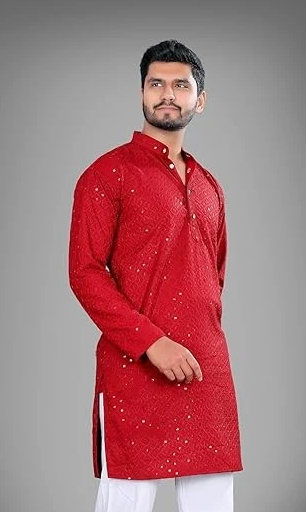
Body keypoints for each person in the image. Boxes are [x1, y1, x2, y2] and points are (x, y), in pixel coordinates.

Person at [68, 39, 243, 512]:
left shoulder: (209, 186)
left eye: (180, 85)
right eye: (156, 84)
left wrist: (196, 337)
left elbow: (214, 279)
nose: (167, 94)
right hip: (134, 371)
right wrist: (152, 343)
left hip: (206, 374)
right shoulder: (107, 174)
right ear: (142, 94)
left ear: (199, 100)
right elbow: (85, 273)